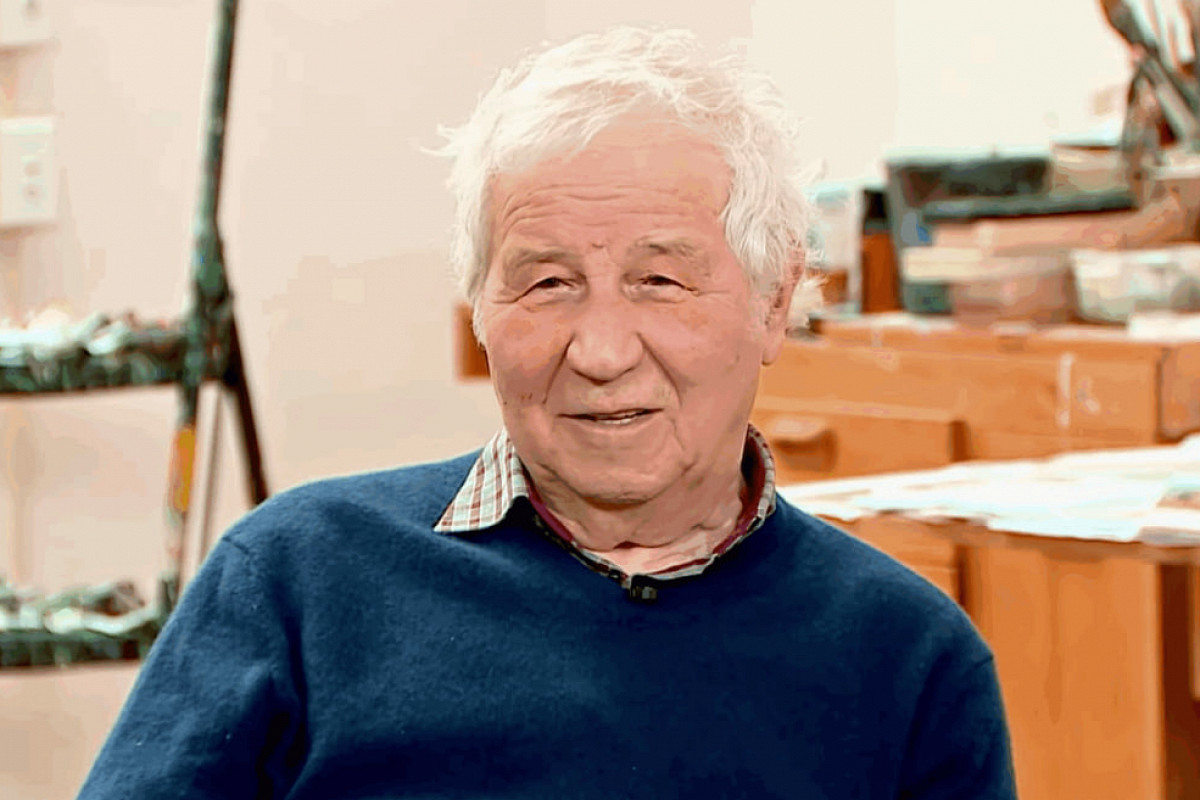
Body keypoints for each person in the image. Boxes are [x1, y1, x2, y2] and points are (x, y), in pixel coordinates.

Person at [79, 26, 1016, 799]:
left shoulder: (906, 661)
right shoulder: (298, 578)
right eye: (547, 283)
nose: (600, 351)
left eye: (660, 281)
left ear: (774, 304)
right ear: (479, 311)